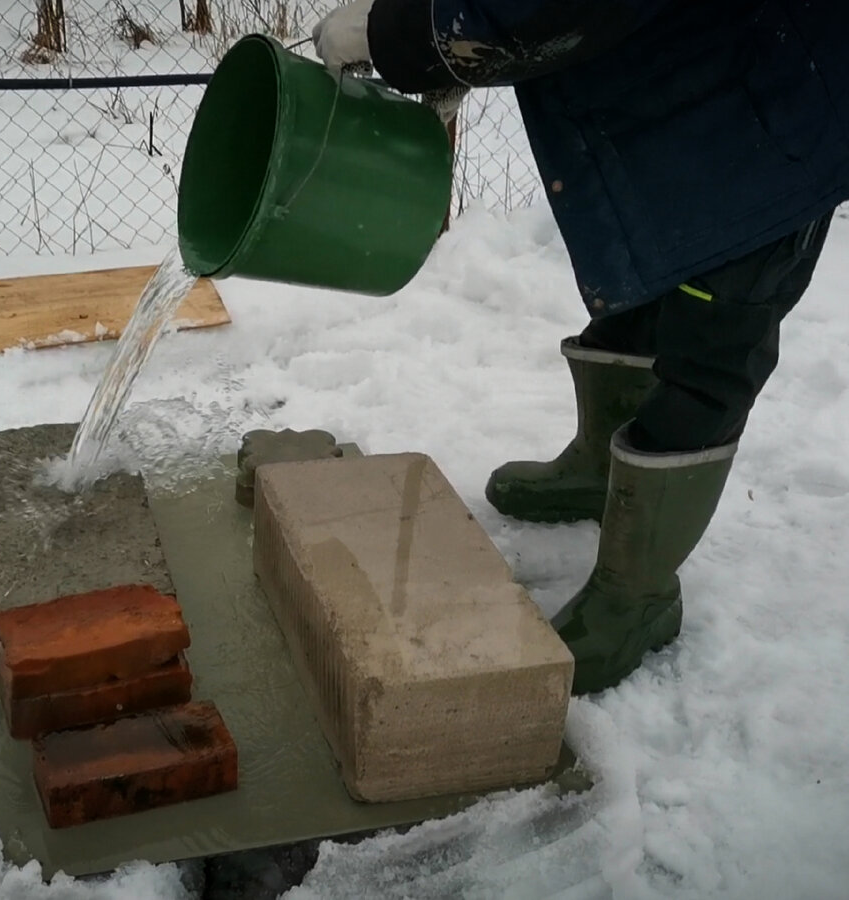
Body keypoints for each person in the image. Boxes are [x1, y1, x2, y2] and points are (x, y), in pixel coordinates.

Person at [311, 0, 849, 694]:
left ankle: (639, 595)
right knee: (638, 286)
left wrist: (407, 32)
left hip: (766, 108)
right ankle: (601, 470)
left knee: (714, 337)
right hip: (671, 79)